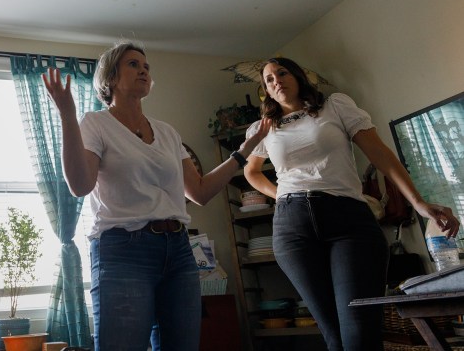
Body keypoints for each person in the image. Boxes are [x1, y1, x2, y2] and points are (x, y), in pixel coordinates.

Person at [43, 41, 271, 351]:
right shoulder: (95, 124)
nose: (143, 70)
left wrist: (244, 151)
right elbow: (80, 185)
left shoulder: (167, 132)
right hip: (123, 250)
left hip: (178, 250)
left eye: (146, 66)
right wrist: (68, 115)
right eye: (133, 64)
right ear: (110, 79)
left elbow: (201, 191)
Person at [243, 57, 460, 351]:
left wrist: (418, 202)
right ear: (266, 91)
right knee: (332, 334)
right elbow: (251, 172)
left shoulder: (334, 106)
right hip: (292, 226)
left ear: (298, 76)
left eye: (282, 73)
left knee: (359, 332)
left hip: (347, 219)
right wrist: (280, 194)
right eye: (269, 79)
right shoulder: (263, 128)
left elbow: (379, 153)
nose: (276, 80)